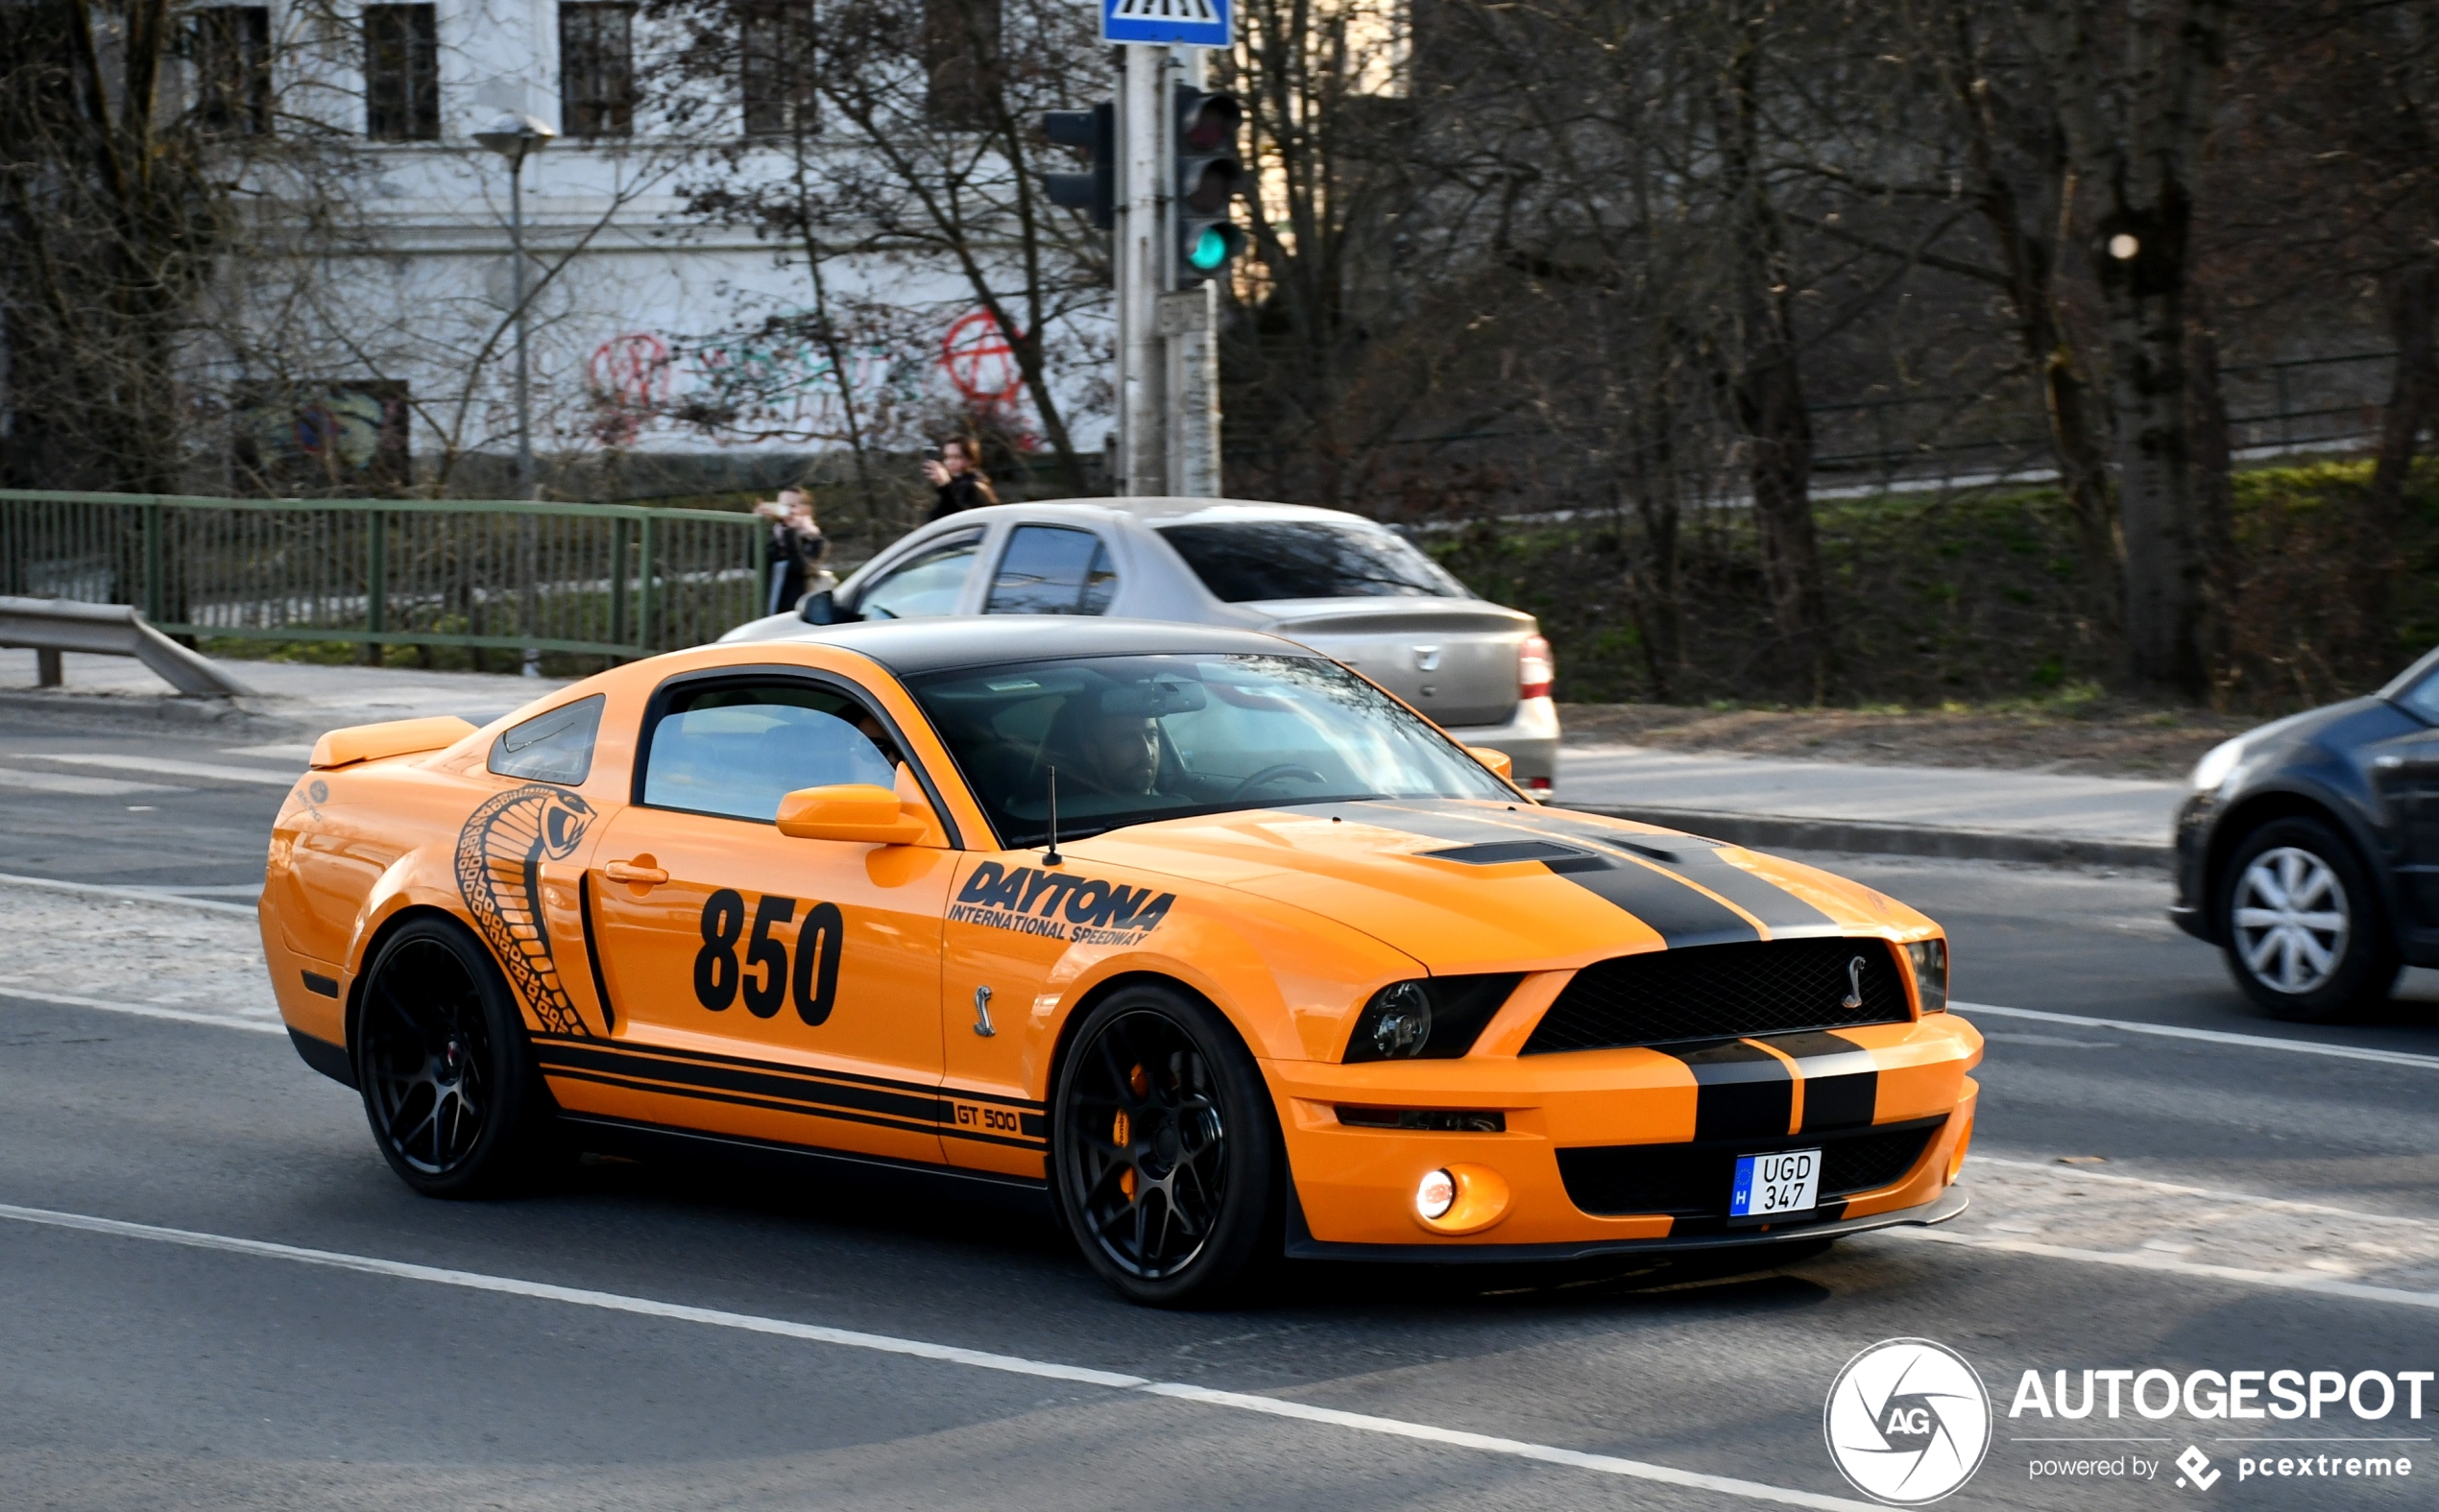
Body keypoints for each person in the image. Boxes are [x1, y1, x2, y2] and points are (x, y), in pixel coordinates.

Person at [754, 486, 829, 614]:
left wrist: (790, 531)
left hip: (798, 616)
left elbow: (800, 567)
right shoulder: (775, 540)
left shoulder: (816, 542)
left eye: (792, 506)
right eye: (782, 506)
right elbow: (753, 561)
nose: (786, 511)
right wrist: (757, 524)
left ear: (807, 510)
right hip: (771, 614)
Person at [923, 437, 1000, 520]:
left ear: (970, 460)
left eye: (956, 457)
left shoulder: (975, 488)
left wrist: (945, 486)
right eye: (947, 457)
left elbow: (961, 518)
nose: (950, 462)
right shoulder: (953, 487)